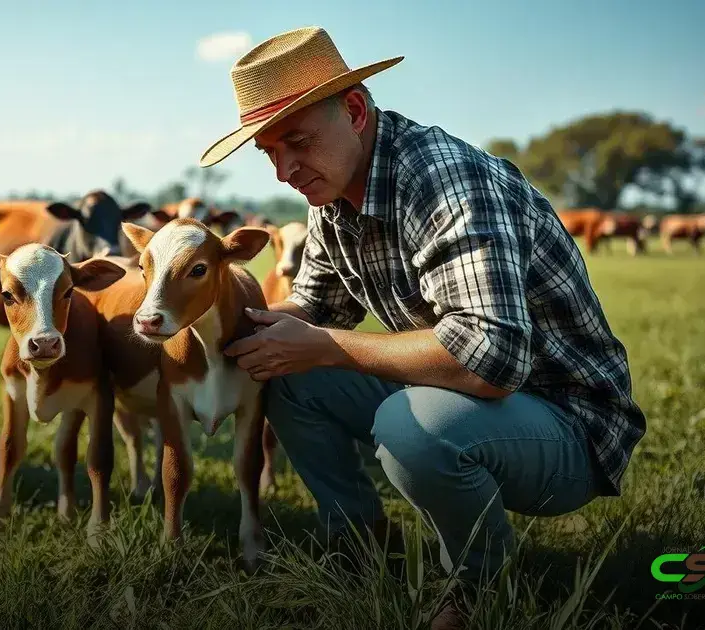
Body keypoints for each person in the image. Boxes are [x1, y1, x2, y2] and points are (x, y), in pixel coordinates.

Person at [199, 26, 646, 629]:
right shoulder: (332, 194)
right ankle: (359, 547)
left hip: (566, 425)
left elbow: (490, 361)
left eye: (297, 143)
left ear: (354, 110)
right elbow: (314, 310)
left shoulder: (448, 182)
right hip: (467, 394)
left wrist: (327, 346)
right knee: (287, 372)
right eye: (270, 153)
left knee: (409, 427)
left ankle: (480, 587)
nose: (284, 171)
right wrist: (207, 336)